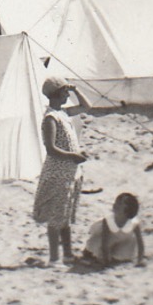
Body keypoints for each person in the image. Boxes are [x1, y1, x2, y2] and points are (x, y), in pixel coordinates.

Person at [33, 76, 87, 264]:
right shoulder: (51, 118)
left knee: (64, 216)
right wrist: (73, 156)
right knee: (56, 217)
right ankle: (55, 258)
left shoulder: (62, 113)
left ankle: (68, 255)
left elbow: (86, 107)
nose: (67, 95)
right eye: (65, 92)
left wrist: (75, 90)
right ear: (57, 94)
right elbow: (51, 148)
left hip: (69, 171)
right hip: (58, 171)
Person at [80, 192, 146, 267]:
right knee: (94, 245)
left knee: (123, 256)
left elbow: (140, 243)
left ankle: (114, 256)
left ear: (127, 210)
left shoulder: (134, 223)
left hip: (122, 241)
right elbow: (105, 241)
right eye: (115, 203)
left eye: (119, 204)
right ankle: (88, 253)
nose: (114, 205)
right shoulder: (108, 221)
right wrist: (105, 260)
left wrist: (140, 260)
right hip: (106, 240)